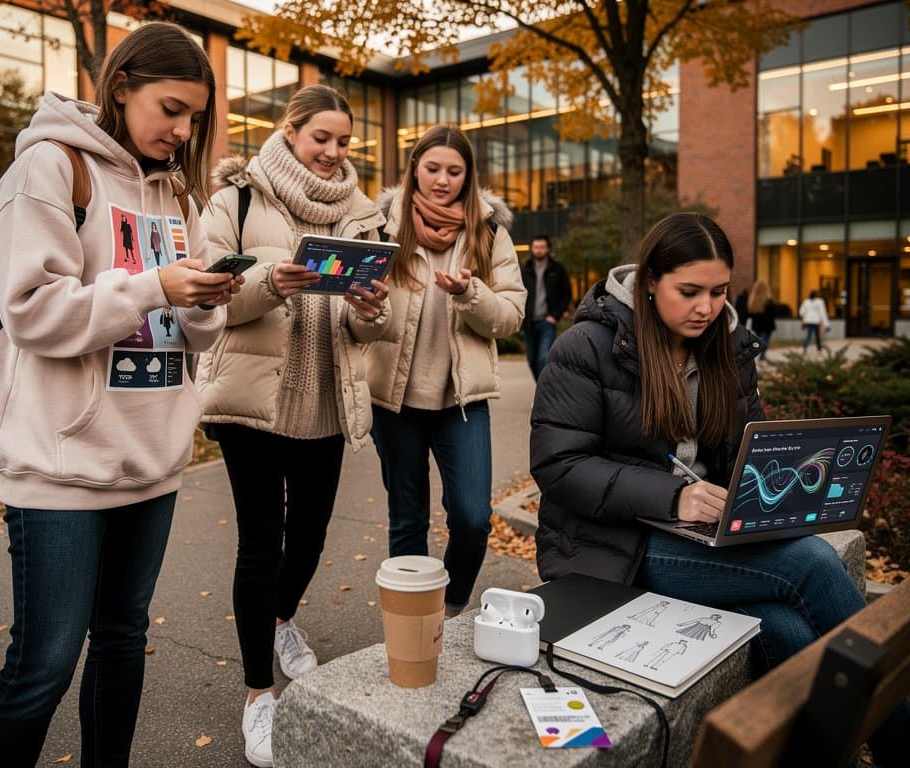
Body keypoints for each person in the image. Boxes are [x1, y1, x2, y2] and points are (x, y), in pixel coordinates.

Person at [530, 212, 907, 767]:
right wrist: (671, 496)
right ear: (650, 280)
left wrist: (780, 489)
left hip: (705, 534)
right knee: (812, 564)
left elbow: (746, 452)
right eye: (689, 292)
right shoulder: (586, 346)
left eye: (718, 292)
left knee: (783, 625)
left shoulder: (726, 346)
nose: (706, 307)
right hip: (615, 545)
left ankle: (829, 753)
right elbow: (559, 466)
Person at [0, 22, 238, 768]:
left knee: (123, 639)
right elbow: (29, 311)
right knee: (43, 666)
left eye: (194, 118)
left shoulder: (176, 193)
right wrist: (155, 284)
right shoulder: (48, 170)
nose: (183, 131)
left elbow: (194, 336)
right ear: (121, 88)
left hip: (151, 460)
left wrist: (205, 298)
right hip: (59, 467)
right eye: (171, 109)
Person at [195, 84, 390, 768]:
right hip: (254, 403)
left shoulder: (363, 216)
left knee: (308, 534)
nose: (335, 154)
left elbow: (377, 324)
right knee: (260, 540)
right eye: (322, 139)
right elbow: (209, 304)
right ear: (291, 132)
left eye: (345, 142)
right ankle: (257, 696)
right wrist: (270, 284)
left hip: (325, 401)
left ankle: (280, 621)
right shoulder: (237, 200)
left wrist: (371, 306)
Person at [367, 124, 526, 619]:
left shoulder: (489, 232)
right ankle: (410, 622)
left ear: (468, 175)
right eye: (432, 168)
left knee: (473, 518)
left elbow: (511, 316)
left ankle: (451, 609)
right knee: (408, 520)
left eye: (454, 171)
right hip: (395, 402)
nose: (442, 180)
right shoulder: (381, 227)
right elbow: (360, 312)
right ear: (414, 167)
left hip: (461, 402)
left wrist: (470, 294)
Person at [520, 233, 572, 380]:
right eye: (536, 247)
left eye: (542, 247)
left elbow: (566, 295)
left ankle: (544, 392)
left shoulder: (557, 269)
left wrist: (555, 316)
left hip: (547, 322)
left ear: (548, 249)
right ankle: (543, 389)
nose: (539, 250)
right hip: (528, 322)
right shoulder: (524, 269)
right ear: (532, 248)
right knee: (531, 361)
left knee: (543, 358)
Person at [745, 279, 775, 361]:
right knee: (765, 341)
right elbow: (773, 314)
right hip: (767, 325)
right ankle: (762, 356)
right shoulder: (769, 301)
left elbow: (750, 313)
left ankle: (758, 355)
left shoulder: (752, 300)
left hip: (757, 325)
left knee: (759, 340)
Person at [799, 289, 830, 354]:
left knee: (809, 335)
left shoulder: (806, 301)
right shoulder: (820, 302)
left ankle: (804, 349)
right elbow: (823, 313)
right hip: (816, 321)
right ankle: (819, 350)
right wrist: (827, 325)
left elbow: (801, 312)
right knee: (817, 336)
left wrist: (804, 319)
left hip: (808, 321)